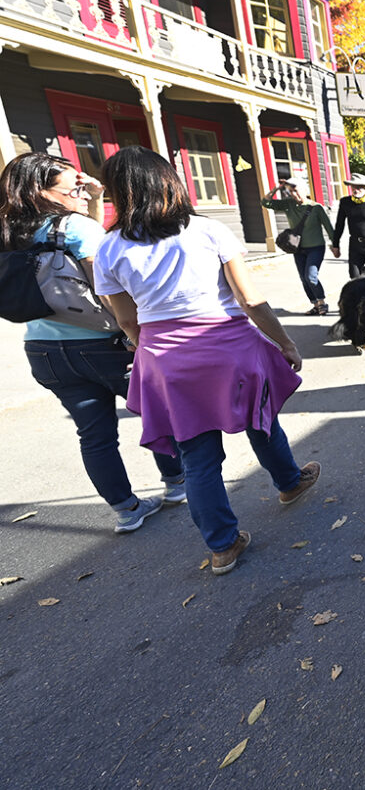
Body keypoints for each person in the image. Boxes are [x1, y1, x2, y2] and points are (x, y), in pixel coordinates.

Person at [93, 147, 319, 575]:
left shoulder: (108, 249)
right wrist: (285, 343)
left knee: (196, 455)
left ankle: (222, 546)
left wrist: (154, 348)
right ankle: (289, 482)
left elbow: (126, 320)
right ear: (169, 181)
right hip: (229, 345)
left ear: (118, 192)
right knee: (260, 419)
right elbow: (249, 299)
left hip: (165, 357)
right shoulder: (209, 230)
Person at [0, 151, 184, 534]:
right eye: (74, 189)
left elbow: (74, 245)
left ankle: (126, 510)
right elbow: (106, 289)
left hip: (44, 351)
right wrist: (136, 334)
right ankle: (177, 482)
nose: (83, 193)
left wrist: (94, 198)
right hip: (105, 345)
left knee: (94, 435)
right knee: (157, 413)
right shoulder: (75, 227)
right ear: (41, 192)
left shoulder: (9, 230)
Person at [264, 178, 336, 315]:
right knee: (304, 278)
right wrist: (276, 188)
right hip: (297, 249)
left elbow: (329, 228)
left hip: (316, 247)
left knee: (311, 276)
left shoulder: (316, 207)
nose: (294, 194)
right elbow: (266, 203)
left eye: (296, 191)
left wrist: (335, 245)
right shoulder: (288, 204)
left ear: (304, 190)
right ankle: (315, 305)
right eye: (291, 191)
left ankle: (322, 302)